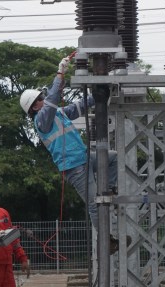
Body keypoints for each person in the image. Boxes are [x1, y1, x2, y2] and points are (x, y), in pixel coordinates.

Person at [19, 55, 118, 233]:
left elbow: (78, 107)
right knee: (94, 203)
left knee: (113, 158)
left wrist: (97, 94)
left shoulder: (57, 113)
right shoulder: (42, 120)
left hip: (83, 158)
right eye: (40, 98)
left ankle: (111, 189)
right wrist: (59, 74)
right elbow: (52, 100)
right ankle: (106, 240)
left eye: (42, 96)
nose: (44, 98)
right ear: (34, 107)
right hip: (74, 167)